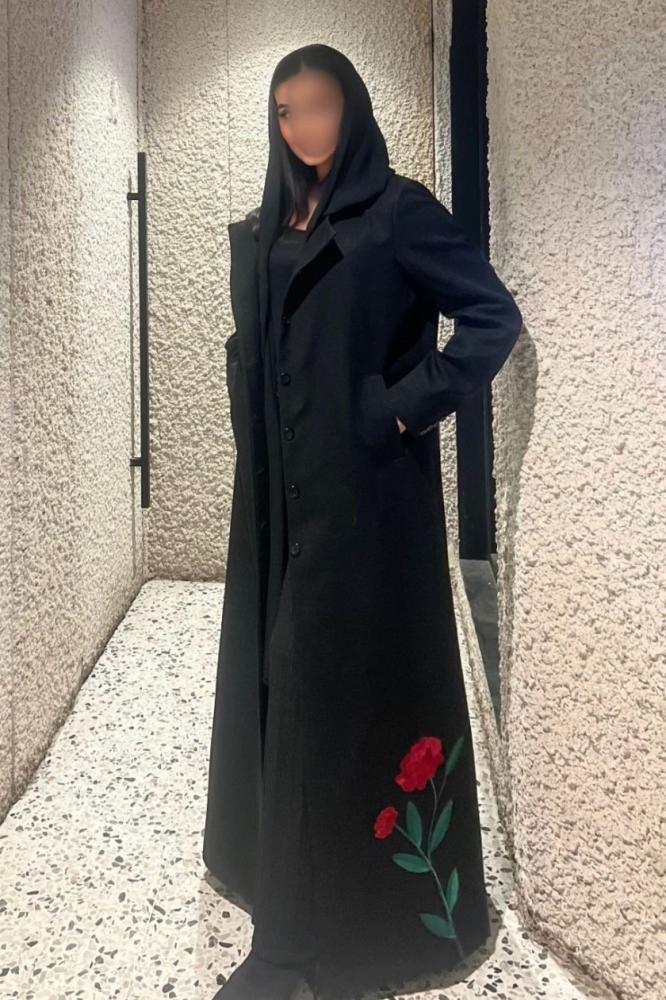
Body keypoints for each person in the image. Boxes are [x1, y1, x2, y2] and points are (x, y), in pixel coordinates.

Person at [204, 42, 523, 1000]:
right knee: (279, 680)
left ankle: (295, 949)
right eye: (286, 111)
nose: (304, 127)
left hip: (363, 503)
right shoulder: (271, 220)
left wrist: (399, 408)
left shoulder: (398, 213)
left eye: (320, 106)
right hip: (279, 499)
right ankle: (282, 881)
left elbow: (490, 319)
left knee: (326, 690)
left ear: (352, 108)